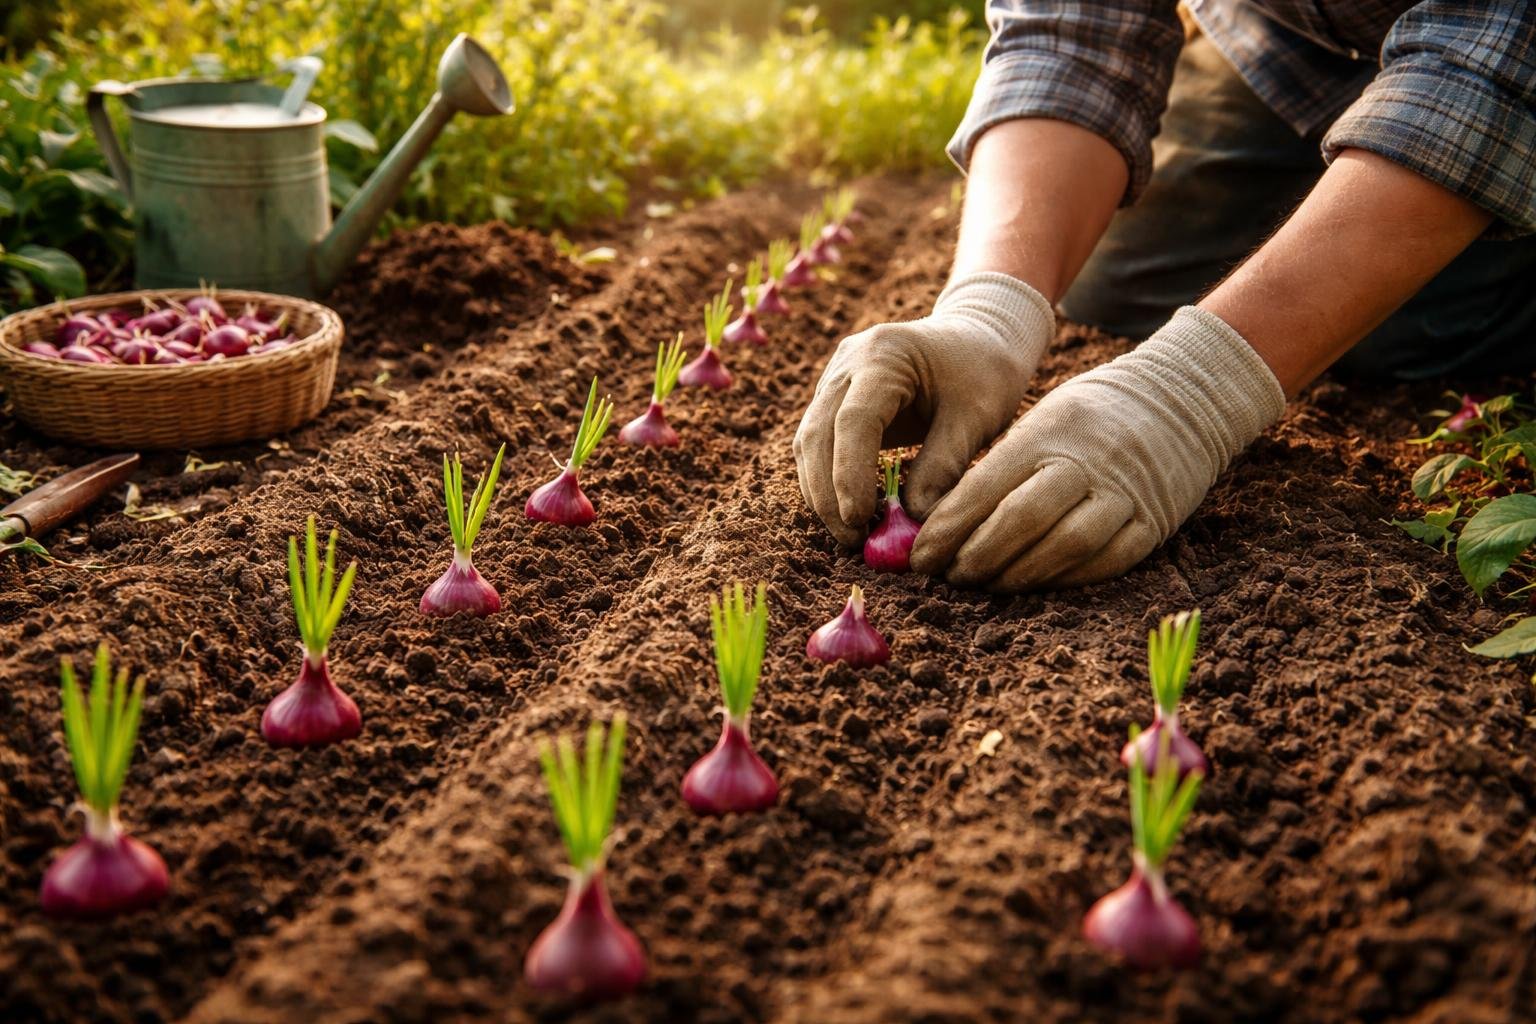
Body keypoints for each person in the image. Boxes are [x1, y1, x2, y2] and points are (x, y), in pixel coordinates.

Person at [793, 1, 1536, 591]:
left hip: (1500, 53)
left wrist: (1193, 389)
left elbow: (1494, 64)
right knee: (1113, 281)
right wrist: (988, 312)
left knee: (1418, 324)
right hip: (1289, 49)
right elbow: (1071, 35)